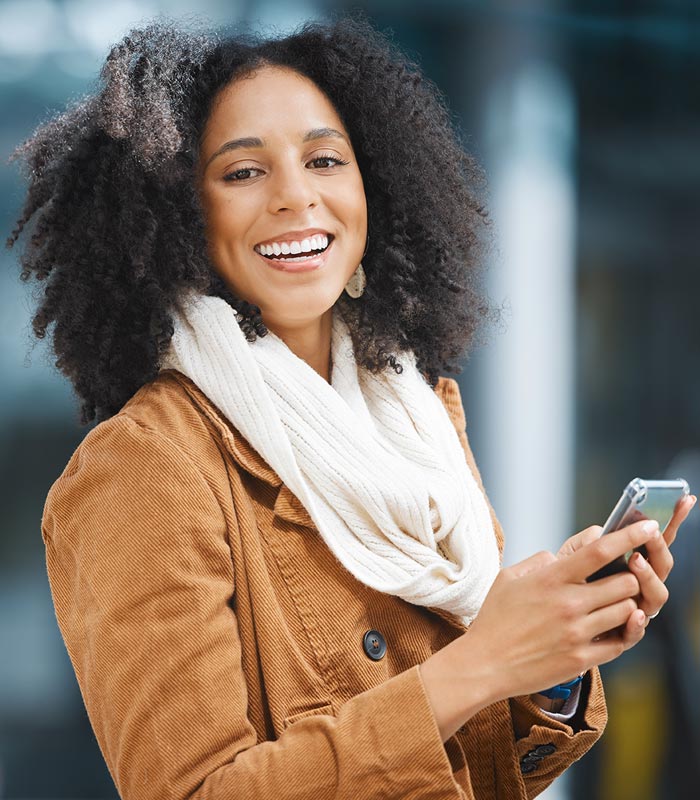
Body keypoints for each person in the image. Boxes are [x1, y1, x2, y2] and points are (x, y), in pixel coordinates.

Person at [8, 17, 694, 800]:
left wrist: (556, 657)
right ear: (177, 217)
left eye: (325, 160)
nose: (296, 195)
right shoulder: (144, 466)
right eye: (242, 173)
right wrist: (482, 662)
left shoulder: (417, 416)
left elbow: (477, 769)